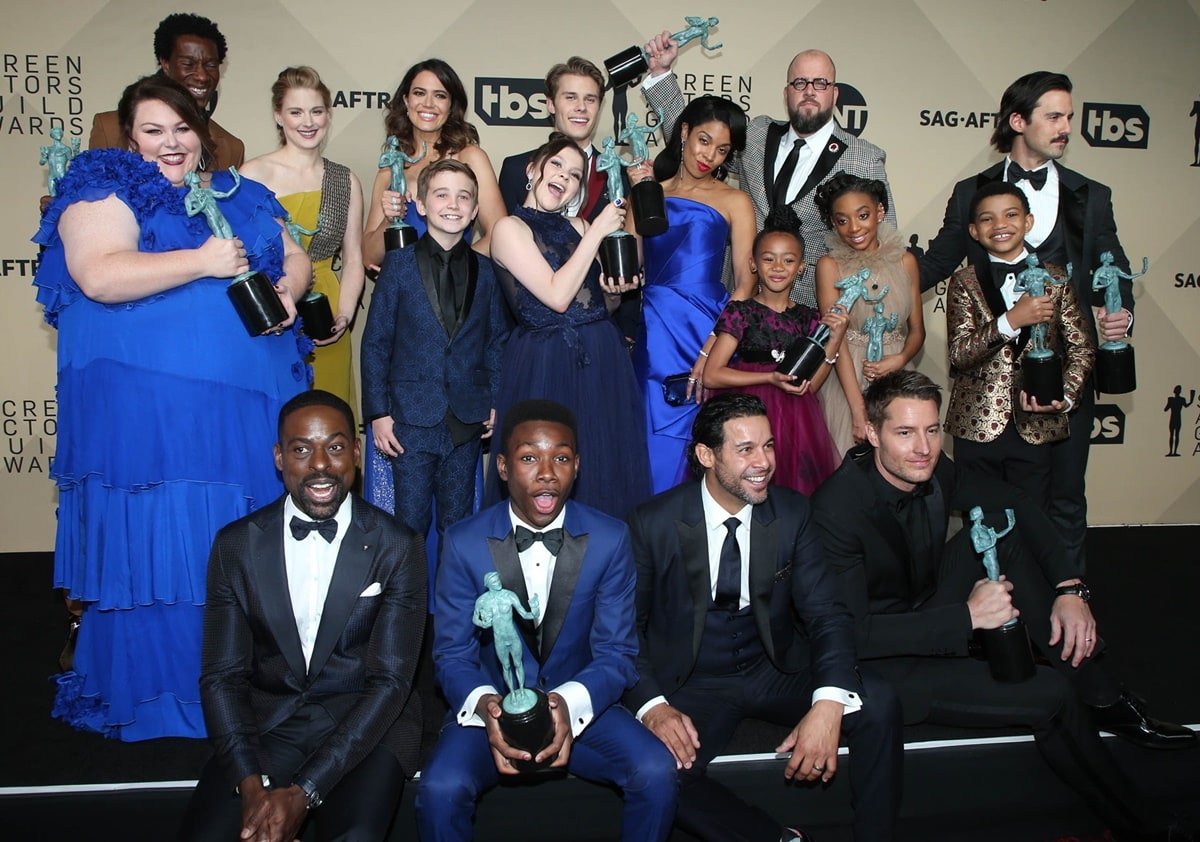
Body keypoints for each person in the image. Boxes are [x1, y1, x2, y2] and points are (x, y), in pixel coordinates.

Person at [34, 74, 310, 741]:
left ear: (204, 128)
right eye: (153, 130)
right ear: (129, 134)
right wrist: (202, 261)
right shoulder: (103, 183)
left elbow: (294, 254)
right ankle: (168, 694)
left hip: (246, 421)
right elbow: (98, 274)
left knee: (243, 546)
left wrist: (288, 291)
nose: (171, 143)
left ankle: (252, 687)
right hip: (157, 429)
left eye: (182, 128)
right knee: (169, 550)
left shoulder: (241, 191)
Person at [811, 371, 1197, 841]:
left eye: (933, 431)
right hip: (883, 664)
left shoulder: (930, 469)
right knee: (1051, 696)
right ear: (872, 433)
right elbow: (854, 637)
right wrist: (968, 618)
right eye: (905, 433)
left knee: (1002, 532)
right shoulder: (837, 510)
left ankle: (1100, 694)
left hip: (924, 603)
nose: (924, 447)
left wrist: (1070, 589)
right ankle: (1148, 826)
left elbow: (1013, 499)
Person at [626, 393, 901, 842]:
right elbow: (626, 632)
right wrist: (654, 708)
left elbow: (828, 615)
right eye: (746, 449)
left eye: (769, 446)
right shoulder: (652, 523)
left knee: (880, 702)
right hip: (691, 679)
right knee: (655, 768)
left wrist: (829, 702)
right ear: (706, 455)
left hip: (772, 668)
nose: (764, 462)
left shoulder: (792, 513)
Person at [417, 400, 678, 842]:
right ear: (502, 466)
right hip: (492, 711)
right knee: (441, 787)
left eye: (560, 457)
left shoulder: (611, 539)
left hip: (582, 708)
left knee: (656, 771)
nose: (546, 472)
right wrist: (489, 708)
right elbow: (452, 656)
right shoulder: (462, 543)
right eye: (528, 458)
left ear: (577, 465)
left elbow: (617, 653)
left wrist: (564, 705)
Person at [179, 391, 425, 842]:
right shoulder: (235, 545)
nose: (319, 465)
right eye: (300, 449)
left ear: (356, 450)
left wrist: (305, 792)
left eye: (334, 447)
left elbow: (390, 684)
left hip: (366, 727)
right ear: (279, 457)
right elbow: (221, 677)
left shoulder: (398, 546)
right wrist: (252, 788)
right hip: (271, 721)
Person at [918, 71, 1134, 575]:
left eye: (1069, 117)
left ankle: (1066, 598)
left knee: (1064, 498)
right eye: (1054, 117)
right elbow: (935, 265)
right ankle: (986, 609)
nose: (1066, 128)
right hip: (988, 390)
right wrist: (872, 273)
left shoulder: (1092, 196)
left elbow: (1112, 268)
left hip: (1066, 379)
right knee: (986, 507)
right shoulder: (971, 192)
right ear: (1019, 120)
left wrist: (1120, 311)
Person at [640, 41, 895, 307]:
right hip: (738, 306)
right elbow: (698, 142)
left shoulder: (863, 158)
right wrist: (661, 75)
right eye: (799, 83)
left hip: (812, 315)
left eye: (820, 83)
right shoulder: (758, 134)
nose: (809, 91)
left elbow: (885, 249)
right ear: (786, 93)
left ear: (835, 93)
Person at [485, 135, 650, 519]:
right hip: (546, 364)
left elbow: (591, 303)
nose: (564, 176)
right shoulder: (509, 229)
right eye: (557, 165)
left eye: (575, 174)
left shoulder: (578, 225)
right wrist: (596, 232)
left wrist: (612, 292)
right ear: (532, 170)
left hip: (602, 358)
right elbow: (556, 297)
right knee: (547, 468)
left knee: (602, 465)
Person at [361, 157, 506, 569]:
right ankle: (404, 620)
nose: (453, 204)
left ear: (476, 210)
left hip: (464, 421)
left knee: (458, 528)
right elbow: (375, 344)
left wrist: (494, 400)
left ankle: (451, 624)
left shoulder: (487, 271)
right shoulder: (398, 265)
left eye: (464, 197)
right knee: (408, 525)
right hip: (409, 420)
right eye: (441, 195)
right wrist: (378, 413)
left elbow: (496, 341)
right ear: (420, 205)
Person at [632, 94, 756, 493]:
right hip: (653, 332)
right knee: (651, 440)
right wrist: (636, 193)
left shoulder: (735, 200)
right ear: (683, 132)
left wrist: (713, 347)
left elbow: (745, 282)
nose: (710, 157)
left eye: (722, 150)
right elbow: (631, 267)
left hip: (709, 329)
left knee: (709, 439)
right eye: (704, 141)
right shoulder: (651, 193)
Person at [946, 182, 1094, 510]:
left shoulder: (1056, 279)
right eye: (987, 219)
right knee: (980, 526)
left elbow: (1081, 349)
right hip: (976, 428)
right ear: (973, 230)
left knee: (1032, 525)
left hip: (1037, 427)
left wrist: (1064, 396)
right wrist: (1011, 320)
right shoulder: (963, 282)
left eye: (1010, 215)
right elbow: (959, 354)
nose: (1000, 225)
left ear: (1028, 221)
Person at [496, 56, 646, 343]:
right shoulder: (516, 168)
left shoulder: (624, 174)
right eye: (570, 97)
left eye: (590, 99)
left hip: (607, 331)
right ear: (551, 104)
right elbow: (503, 253)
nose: (581, 107)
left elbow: (630, 263)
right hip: (535, 337)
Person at [240, 66, 365, 408]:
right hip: (272, 306)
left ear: (328, 114)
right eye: (296, 112)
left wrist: (345, 314)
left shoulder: (344, 180)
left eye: (316, 111)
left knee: (328, 416)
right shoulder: (252, 175)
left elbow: (353, 257)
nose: (307, 122)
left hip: (326, 312)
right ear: (278, 116)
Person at [704, 208, 845, 495]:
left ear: (802, 267)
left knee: (790, 494)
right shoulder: (741, 312)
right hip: (744, 414)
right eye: (768, 259)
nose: (778, 267)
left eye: (788, 260)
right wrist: (768, 378)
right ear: (753, 263)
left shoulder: (809, 318)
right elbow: (712, 375)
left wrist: (835, 338)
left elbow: (810, 387)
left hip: (796, 421)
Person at [813, 172, 924, 456]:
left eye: (862, 215)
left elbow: (917, 331)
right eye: (842, 220)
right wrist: (858, 409)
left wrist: (899, 359)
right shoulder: (829, 266)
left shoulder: (906, 261)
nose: (853, 228)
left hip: (897, 376)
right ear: (833, 224)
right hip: (846, 379)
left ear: (879, 212)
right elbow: (834, 341)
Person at [362, 58, 505, 267]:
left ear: (451, 105)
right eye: (419, 93)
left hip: (454, 294)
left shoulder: (470, 158)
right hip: (401, 294)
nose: (428, 104)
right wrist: (391, 219)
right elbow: (368, 257)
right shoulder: (391, 169)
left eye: (440, 95)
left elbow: (499, 234)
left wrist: (452, 268)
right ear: (406, 100)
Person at [89, 13, 244, 170]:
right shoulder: (110, 128)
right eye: (188, 64)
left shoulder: (231, 148)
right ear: (165, 64)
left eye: (210, 65)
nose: (202, 76)